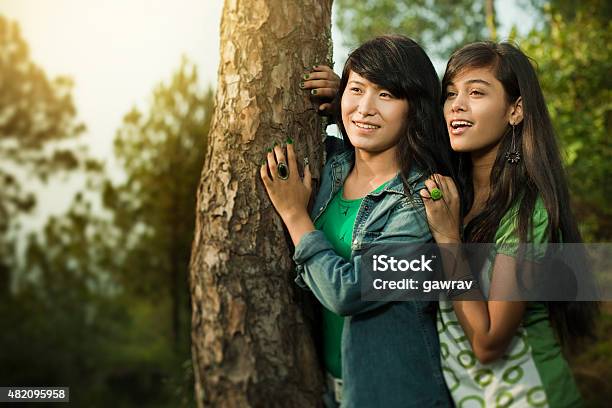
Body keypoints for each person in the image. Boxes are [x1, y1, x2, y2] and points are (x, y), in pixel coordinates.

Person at [260, 35, 454, 407]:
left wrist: (295, 214)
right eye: (357, 89)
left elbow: (348, 292)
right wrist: (340, 107)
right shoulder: (333, 165)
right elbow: (355, 122)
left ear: (416, 107)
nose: (366, 107)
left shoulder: (420, 201)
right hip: (330, 390)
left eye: (386, 95)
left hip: (397, 395)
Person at [419, 41, 599, 407]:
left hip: (533, 397)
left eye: (476, 92)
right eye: (451, 93)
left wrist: (449, 239)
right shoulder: (455, 196)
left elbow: (488, 342)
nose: (457, 104)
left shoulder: (527, 210)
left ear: (515, 110)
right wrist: (340, 97)